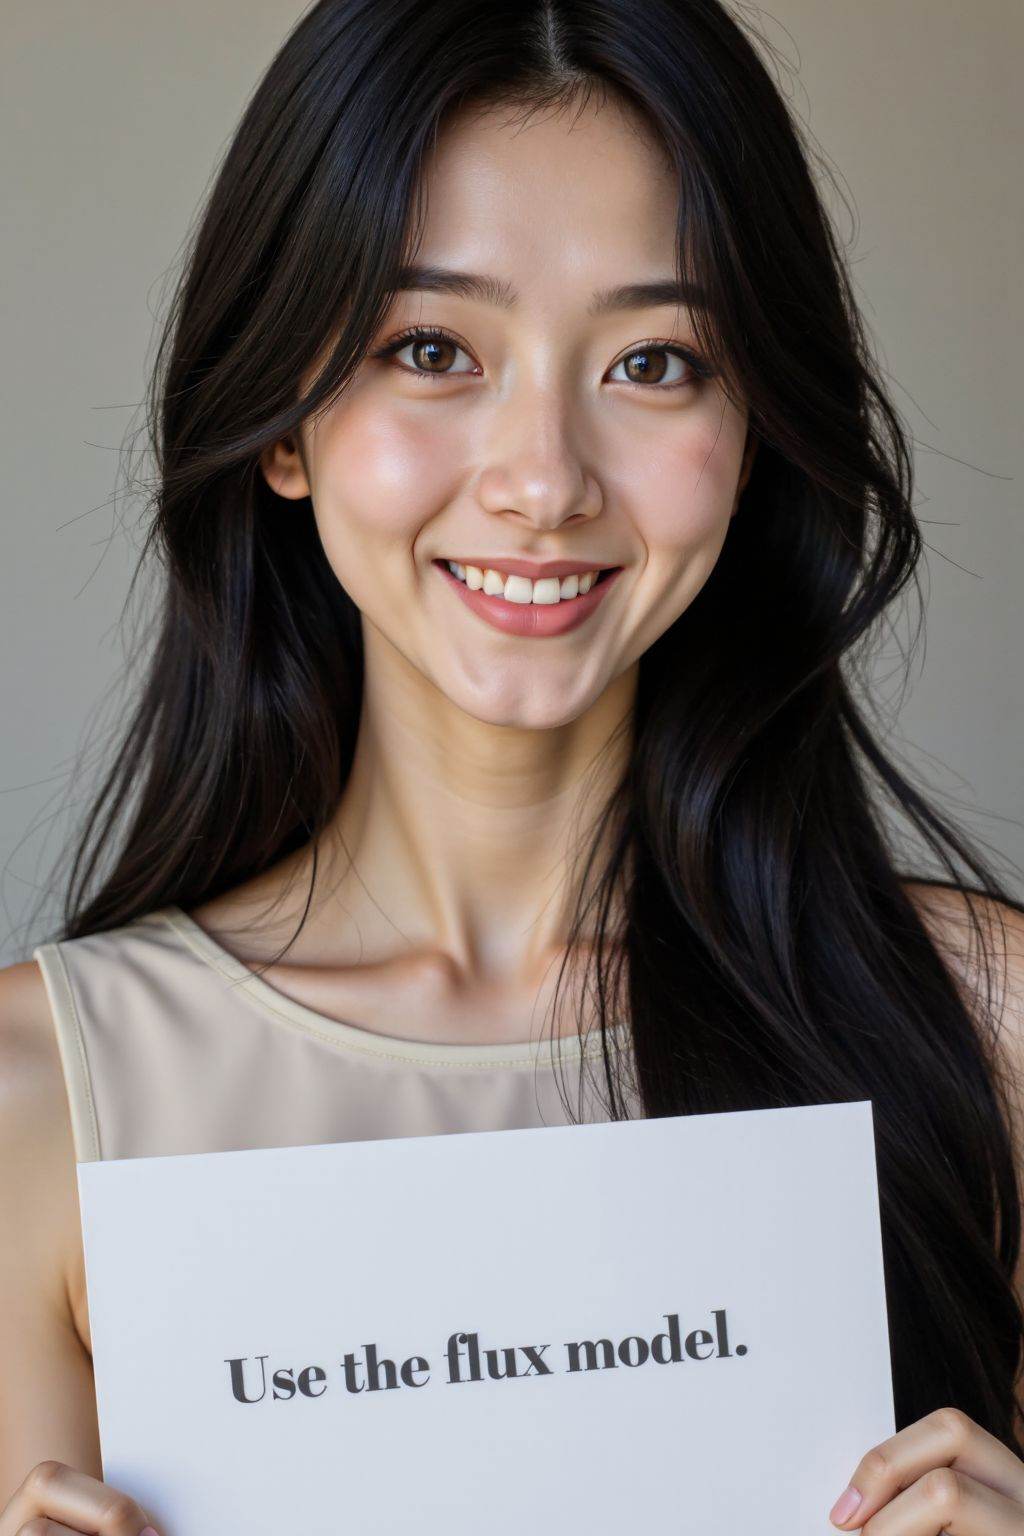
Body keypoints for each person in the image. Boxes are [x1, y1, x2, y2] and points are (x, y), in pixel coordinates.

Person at [3, 0, 1024, 1531]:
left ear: (754, 433)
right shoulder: (39, 1106)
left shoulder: (993, 1031)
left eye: (658, 362)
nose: (544, 479)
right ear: (285, 425)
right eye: (431, 348)